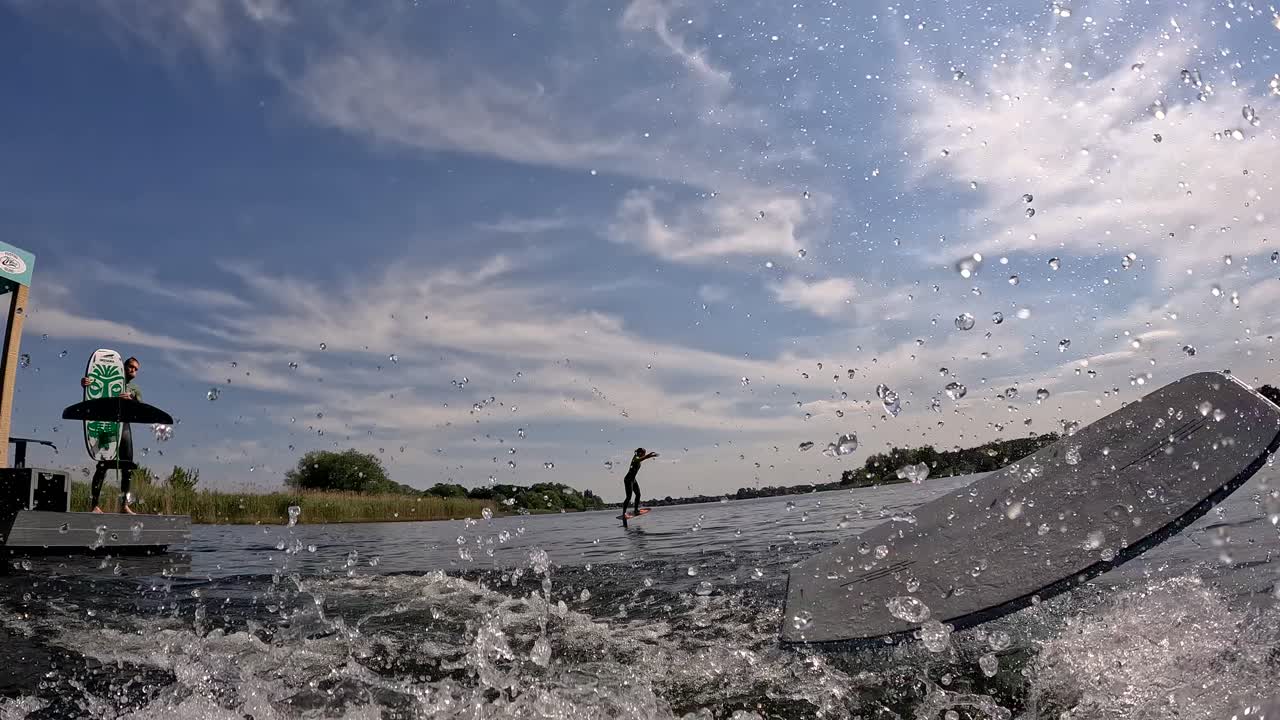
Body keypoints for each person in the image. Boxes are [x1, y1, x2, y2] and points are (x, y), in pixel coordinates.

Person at [81, 356, 142, 513]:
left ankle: (124, 505)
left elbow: (140, 409)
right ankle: (94, 505)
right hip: (106, 425)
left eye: (136, 369)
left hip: (124, 427)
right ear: (123, 366)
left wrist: (131, 399)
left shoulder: (134, 389)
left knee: (127, 466)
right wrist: (86, 384)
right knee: (103, 465)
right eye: (131, 366)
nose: (133, 370)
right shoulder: (105, 379)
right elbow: (92, 392)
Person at [623, 447, 658, 517]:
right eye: (644, 453)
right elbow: (639, 459)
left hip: (633, 480)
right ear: (640, 453)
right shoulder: (636, 457)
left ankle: (636, 510)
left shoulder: (638, 457)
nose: (644, 454)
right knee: (628, 497)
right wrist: (648, 456)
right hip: (628, 479)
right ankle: (624, 513)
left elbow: (642, 458)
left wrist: (649, 456)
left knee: (638, 494)